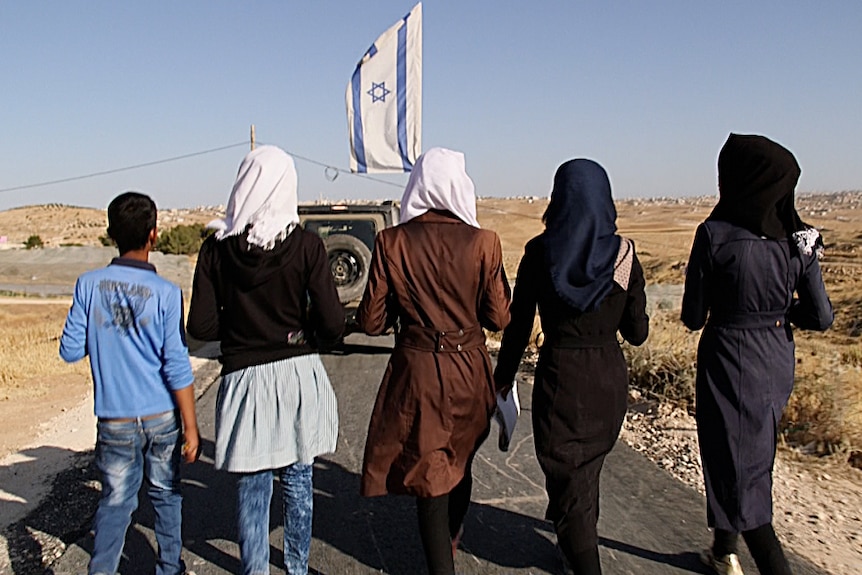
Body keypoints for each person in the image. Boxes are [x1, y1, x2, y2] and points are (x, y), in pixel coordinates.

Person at [187, 146, 343, 575]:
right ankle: (296, 567)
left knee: (253, 485)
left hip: (244, 377)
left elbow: (199, 326)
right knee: (298, 479)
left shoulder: (215, 249)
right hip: (296, 371)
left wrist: (239, 333)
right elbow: (331, 323)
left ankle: (254, 569)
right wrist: (304, 333)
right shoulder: (308, 245)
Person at [681, 134, 833, 575]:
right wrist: (781, 313)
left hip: (728, 357)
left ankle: (769, 563)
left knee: (736, 464)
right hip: (776, 358)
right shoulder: (801, 239)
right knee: (749, 455)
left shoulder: (714, 234)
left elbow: (693, 316)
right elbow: (822, 316)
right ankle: (722, 550)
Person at [357, 147, 511, 575]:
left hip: (419, 372)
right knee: (455, 459)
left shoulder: (392, 241)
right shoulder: (485, 242)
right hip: (470, 371)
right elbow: (499, 317)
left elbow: (370, 322)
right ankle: (453, 535)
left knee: (431, 475)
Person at [494, 159, 649, 575]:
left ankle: (582, 558)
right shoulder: (624, 255)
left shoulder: (540, 253)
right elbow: (637, 333)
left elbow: (518, 326)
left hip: (560, 378)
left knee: (570, 477)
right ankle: (572, 544)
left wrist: (502, 380)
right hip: (608, 380)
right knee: (583, 474)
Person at [60, 191, 200, 575]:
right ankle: (170, 566)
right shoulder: (168, 294)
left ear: (111, 234)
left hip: (115, 418)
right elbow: (176, 364)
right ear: (154, 235)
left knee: (116, 501)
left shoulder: (88, 285)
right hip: (161, 416)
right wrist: (191, 426)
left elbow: (70, 350)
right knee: (167, 496)